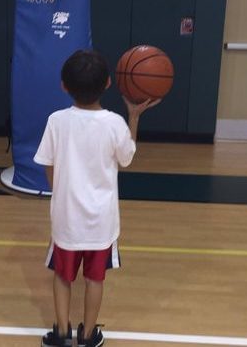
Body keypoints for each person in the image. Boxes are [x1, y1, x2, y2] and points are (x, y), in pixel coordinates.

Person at [34, 49, 160, 347]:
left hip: (67, 219)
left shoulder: (56, 121)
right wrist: (134, 117)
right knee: (95, 279)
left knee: (62, 276)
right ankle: (89, 336)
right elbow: (127, 158)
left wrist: (60, 194)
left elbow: (48, 166)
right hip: (101, 223)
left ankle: (61, 333)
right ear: (107, 83)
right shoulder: (115, 123)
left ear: (64, 85)